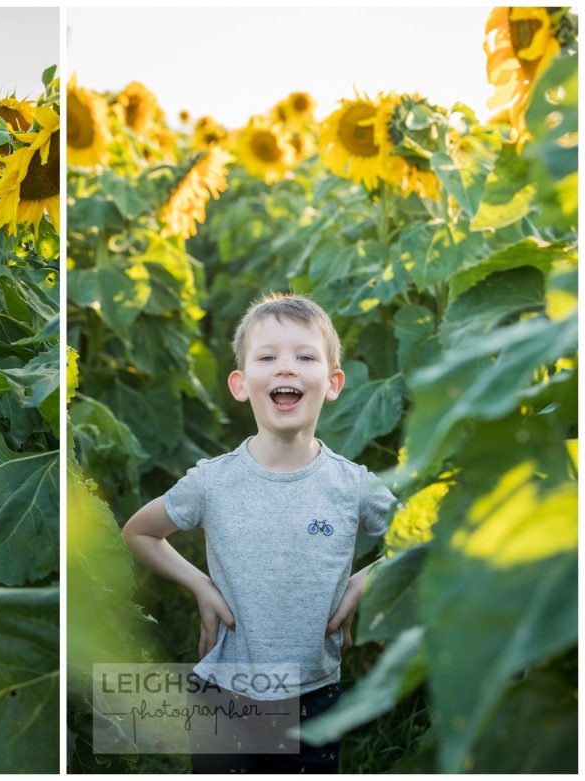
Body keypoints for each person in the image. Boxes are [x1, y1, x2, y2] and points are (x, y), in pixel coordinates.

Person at [122, 292, 396, 773]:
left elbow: (423, 534)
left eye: (304, 356)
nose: (286, 368)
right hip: (224, 694)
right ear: (240, 384)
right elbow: (139, 533)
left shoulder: (353, 485)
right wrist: (200, 585)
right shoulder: (213, 481)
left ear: (333, 383)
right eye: (267, 357)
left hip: (314, 696)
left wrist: (367, 579)